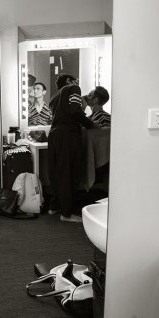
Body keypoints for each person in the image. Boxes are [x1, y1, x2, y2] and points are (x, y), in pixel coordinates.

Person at [48, 74, 95, 222]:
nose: (77, 83)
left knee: (57, 172)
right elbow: (74, 111)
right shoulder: (73, 88)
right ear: (69, 81)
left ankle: (54, 206)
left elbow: (67, 111)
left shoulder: (54, 98)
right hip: (68, 135)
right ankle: (67, 214)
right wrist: (91, 124)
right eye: (76, 80)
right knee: (69, 172)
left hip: (54, 135)